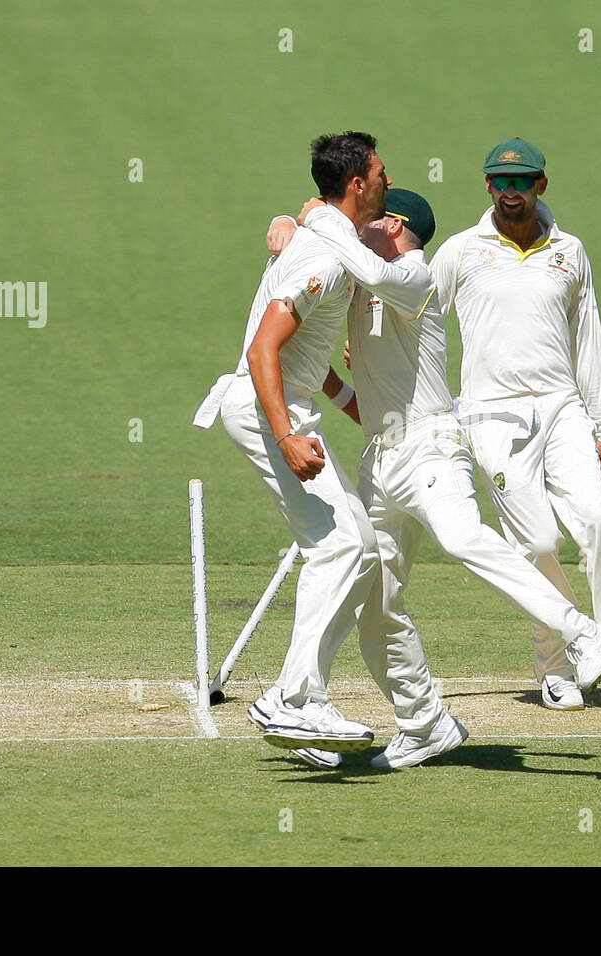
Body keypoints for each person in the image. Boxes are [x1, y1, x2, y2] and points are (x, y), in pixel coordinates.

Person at [266, 188, 601, 766]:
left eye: (370, 220)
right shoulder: (368, 279)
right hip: (379, 460)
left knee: (463, 537)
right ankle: (418, 721)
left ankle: (582, 632)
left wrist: (311, 219)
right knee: (374, 598)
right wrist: (287, 226)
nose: (359, 226)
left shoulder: (413, 276)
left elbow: (353, 257)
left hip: (432, 448)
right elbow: (364, 399)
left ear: (396, 226)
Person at [428, 137, 601, 713]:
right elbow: (418, 312)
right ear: (487, 187)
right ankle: (555, 663)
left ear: (541, 184)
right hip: (490, 414)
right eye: (501, 182)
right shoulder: (462, 251)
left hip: (563, 410)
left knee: (599, 520)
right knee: (535, 542)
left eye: (522, 181)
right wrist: (373, 346)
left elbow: (590, 342)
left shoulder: (570, 252)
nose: (511, 192)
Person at [191, 131, 392, 768]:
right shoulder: (328, 258)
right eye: (381, 174)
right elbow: (263, 350)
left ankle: (302, 709)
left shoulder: (330, 240)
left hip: (284, 405)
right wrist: (285, 432)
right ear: (357, 183)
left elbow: (303, 358)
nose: (388, 182)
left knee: (354, 547)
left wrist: (349, 405)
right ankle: (294, 697)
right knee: (342, 544)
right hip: (263, 409)